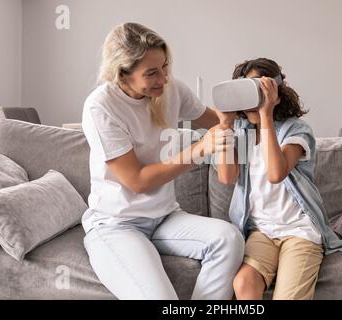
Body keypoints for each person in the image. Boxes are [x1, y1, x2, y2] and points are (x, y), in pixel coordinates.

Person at [81, 22, 244, 300]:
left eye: (165, 67)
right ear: (122, 74)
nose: (164, 78)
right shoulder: (101, 107)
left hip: (165, 217)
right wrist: (198, 149)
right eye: (152, 73)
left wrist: (256, 116)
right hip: (117, 225)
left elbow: (215, 118)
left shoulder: (171, 90)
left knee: (229, 239)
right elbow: (137, 181)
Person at [215, 58, 342, 300]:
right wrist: (225, 124)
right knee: (243, 283)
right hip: (261, 231)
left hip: (299, 231)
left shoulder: (297, 130)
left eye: (258, 91)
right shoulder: (241, 132)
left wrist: (266, 114)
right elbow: (226, 176)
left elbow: (276, 173)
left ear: (275, 92)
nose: (252, 103)